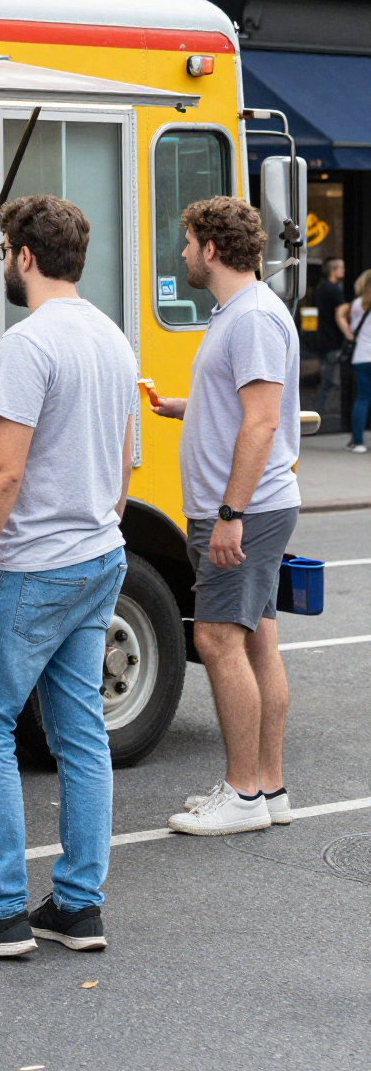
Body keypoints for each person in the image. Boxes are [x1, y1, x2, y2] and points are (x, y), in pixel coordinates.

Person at [0, 195, 135, 960]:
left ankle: (0, 907)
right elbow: (122, 468)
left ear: (25, 256)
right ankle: (78, 904)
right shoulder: (114, 337)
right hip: (99, 554)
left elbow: (3, 472)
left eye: (4, 250)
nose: (3, 263)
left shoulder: (27, 343)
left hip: (31, 564)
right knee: (80, 732)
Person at [153, 197, 300, 836]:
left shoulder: (254, 318)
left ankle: (242, 796)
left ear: (211, 249)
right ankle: (267, 786)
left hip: (244, 510)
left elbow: (264, 421)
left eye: (187, 242)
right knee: (257, 637)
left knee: (215, 639)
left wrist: (231, 513)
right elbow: (244, 407)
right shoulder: (242, 314)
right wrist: (187, 407)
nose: (182, 253)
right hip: (248, 506)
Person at [334, 268, 371, 453]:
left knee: (363, 398)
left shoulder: (356, 304)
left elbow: (340, 313)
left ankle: (358, 442)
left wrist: (348, 333)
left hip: (362, 356)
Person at [311, 258, 345, 421]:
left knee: (328, 380)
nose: (344, 271)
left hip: (323, 339)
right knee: (331, 382)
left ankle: (321, 412)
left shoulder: (321, 288)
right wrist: (349, 334)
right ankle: (320, 413)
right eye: (341, 268)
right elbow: (340, 315)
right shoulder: (334, 290)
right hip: (333, 341)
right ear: (334, 270)